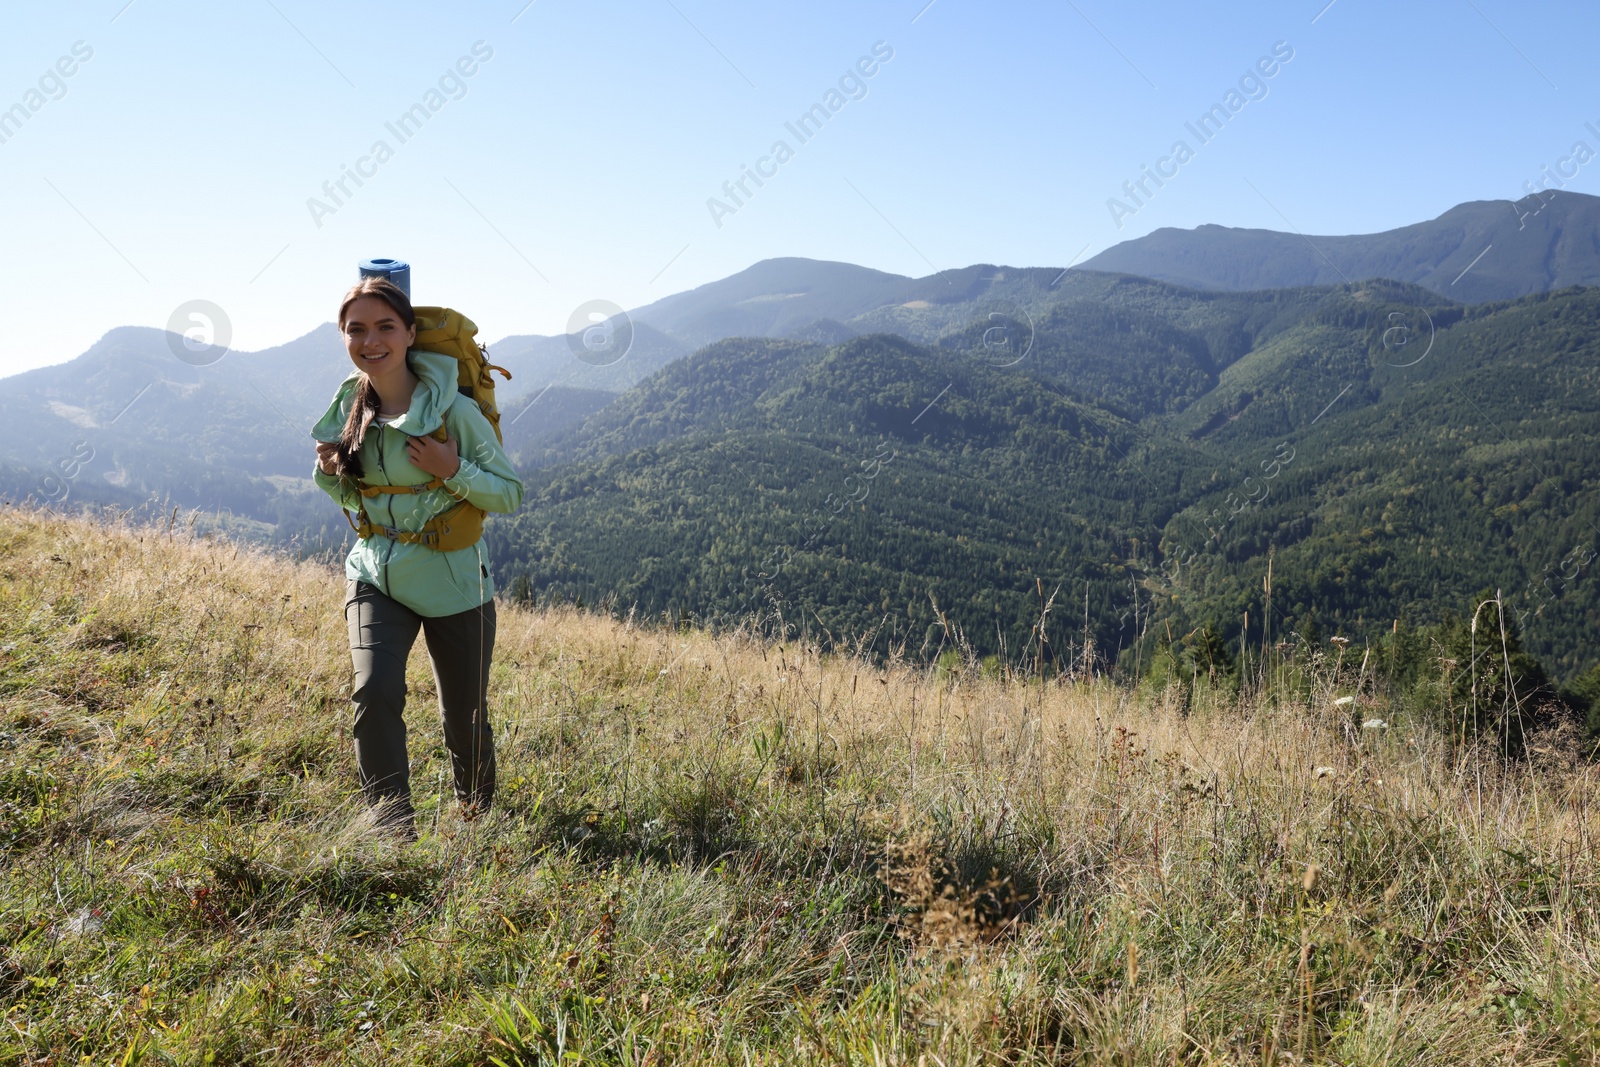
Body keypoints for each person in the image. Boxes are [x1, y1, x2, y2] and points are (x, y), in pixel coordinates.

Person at [310, 277, 524, 837]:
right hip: (374, 574)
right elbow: (353, 496)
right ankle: (391, 831)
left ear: (409, 334)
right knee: (373, 690)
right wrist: (331, 473)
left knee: (465, 716)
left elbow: (510, 494)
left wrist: (452, 469)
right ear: (343, 337)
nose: (370, 340)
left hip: (455, 582)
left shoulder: (454, 411)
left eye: (385, 326)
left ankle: (476, 823)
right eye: (356, 329)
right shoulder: (347, 409)